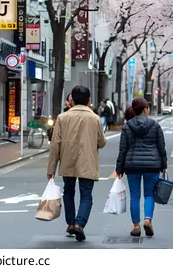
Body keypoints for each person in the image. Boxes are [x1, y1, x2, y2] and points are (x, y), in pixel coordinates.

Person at [47, 86, 107, 242]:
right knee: (86, 194)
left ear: (72, 99)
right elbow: (101, 142)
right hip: (87, 160)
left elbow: (55, 144)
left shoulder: (62, 117)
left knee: (68, 191)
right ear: (89, 100)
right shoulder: (94, 118)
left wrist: (51, 168)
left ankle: (71, 223)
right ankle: (80, 223)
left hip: (67, 159)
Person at [116, 97, 167, 238]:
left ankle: (136, 226)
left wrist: (119, 168)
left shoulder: (127, 127)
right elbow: (161, 148)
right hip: (152, 165)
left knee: (135, 195)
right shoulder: (155, 126)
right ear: (145, 110)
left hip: (132, 165)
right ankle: (147, 220)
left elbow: (122, 150)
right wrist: (164, 165)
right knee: (149, 194)